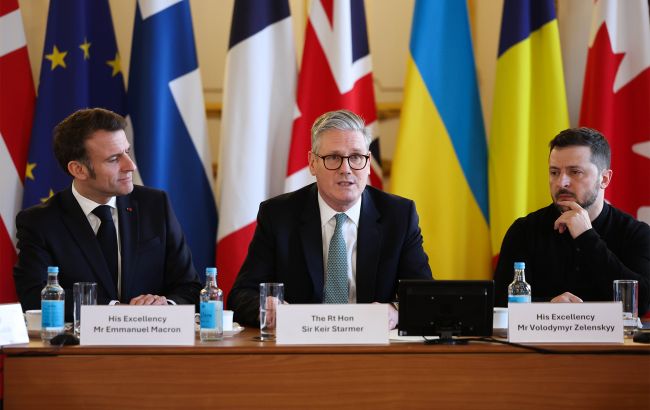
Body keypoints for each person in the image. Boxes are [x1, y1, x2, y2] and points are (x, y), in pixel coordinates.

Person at [228, 110, 433, 329]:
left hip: (373, 344)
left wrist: (395, 311)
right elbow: (241, 295)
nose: (346, 169)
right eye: (333, 157)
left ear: (368, 162)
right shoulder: (278, 215)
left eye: (356, 157)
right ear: (312, 163)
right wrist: (267, 307)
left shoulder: (399, 216)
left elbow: (425, 296)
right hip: (302, 342)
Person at [14, 108, 201, 321]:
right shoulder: (40, 222)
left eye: (127, 152)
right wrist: (116, 312)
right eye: (114, 159)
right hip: (78, 342)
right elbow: (35, 296)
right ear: (78, 169)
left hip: (153, 338)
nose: (130, 166)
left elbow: (190, 287)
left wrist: (164, 306)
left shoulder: (155, 205)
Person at [494, 127, 650, 315]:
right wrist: (548, 307)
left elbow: (641, 304)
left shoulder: (636, 233)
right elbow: (499, 303)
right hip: (542, 335)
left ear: (604, 179)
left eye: (575, 172)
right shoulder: (524, 231)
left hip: (613, 336)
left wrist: (587, 237)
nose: (561, 183)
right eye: (554, 172)